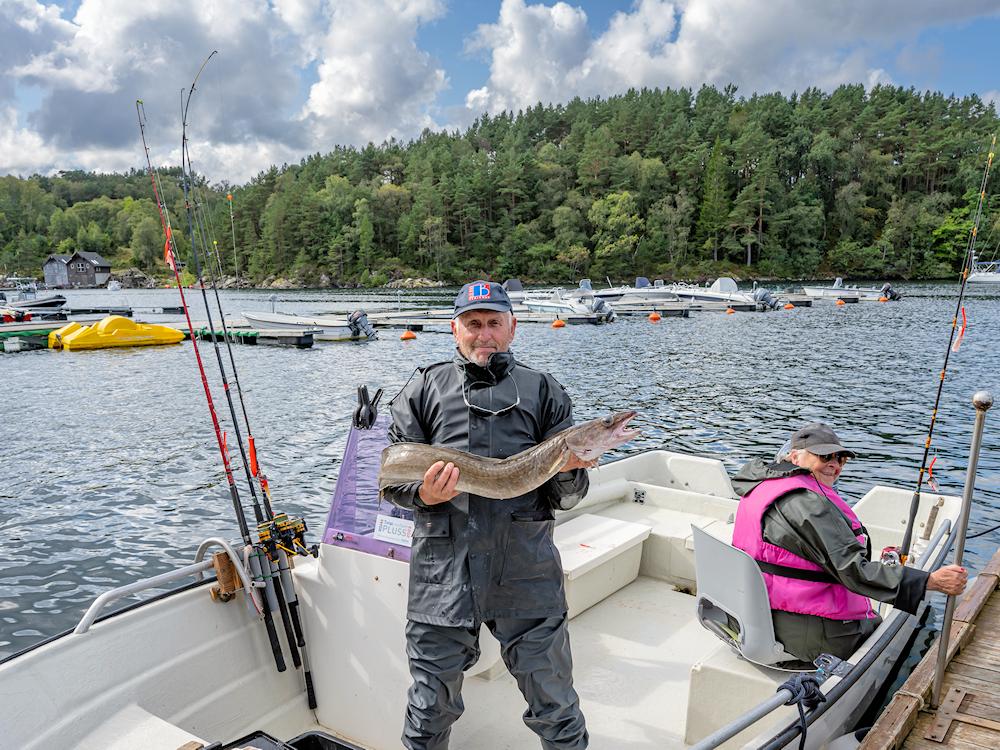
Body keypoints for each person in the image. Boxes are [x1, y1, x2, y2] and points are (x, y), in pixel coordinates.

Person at [383, 280, 592, 750]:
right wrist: (425, 496)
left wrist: (568, 470)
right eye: (473, 324)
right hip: (443, 572)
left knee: (555, 704)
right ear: (454, 329)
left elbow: (569, 497)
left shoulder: (544, 391)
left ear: (512, 327)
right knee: (429, 708)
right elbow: (391, 480)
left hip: (526, 570)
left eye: (494, 323)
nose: (484, 335)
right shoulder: (423, 389)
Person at [731, 422, 967, 665]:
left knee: (872, 615)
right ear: (794, 456)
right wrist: (930, 581)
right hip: (810, 631)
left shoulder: (760, 485)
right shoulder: (809, 504)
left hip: (760, 616)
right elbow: (855, 571)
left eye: (840, 459)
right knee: (883, 630)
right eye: (824, 456)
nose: (834, 465)